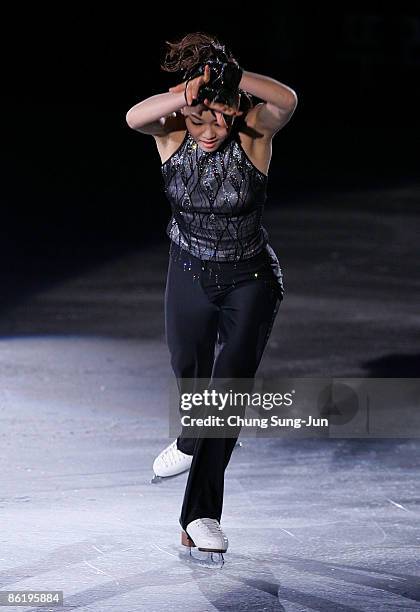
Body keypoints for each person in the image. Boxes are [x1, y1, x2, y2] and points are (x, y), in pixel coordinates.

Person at [125, 32, 298, 560]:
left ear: (235, 107)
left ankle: (200, 514)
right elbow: (134, 116)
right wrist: (191, 92)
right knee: (192, 377)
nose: (208, 130)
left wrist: (232, 79)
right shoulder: (173, 131)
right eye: (198, 118)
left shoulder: (252, 133)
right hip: (189, 270)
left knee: (228, 391)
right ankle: (193, 437)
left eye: (219, 116)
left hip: (250, 279)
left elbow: (287, 100)